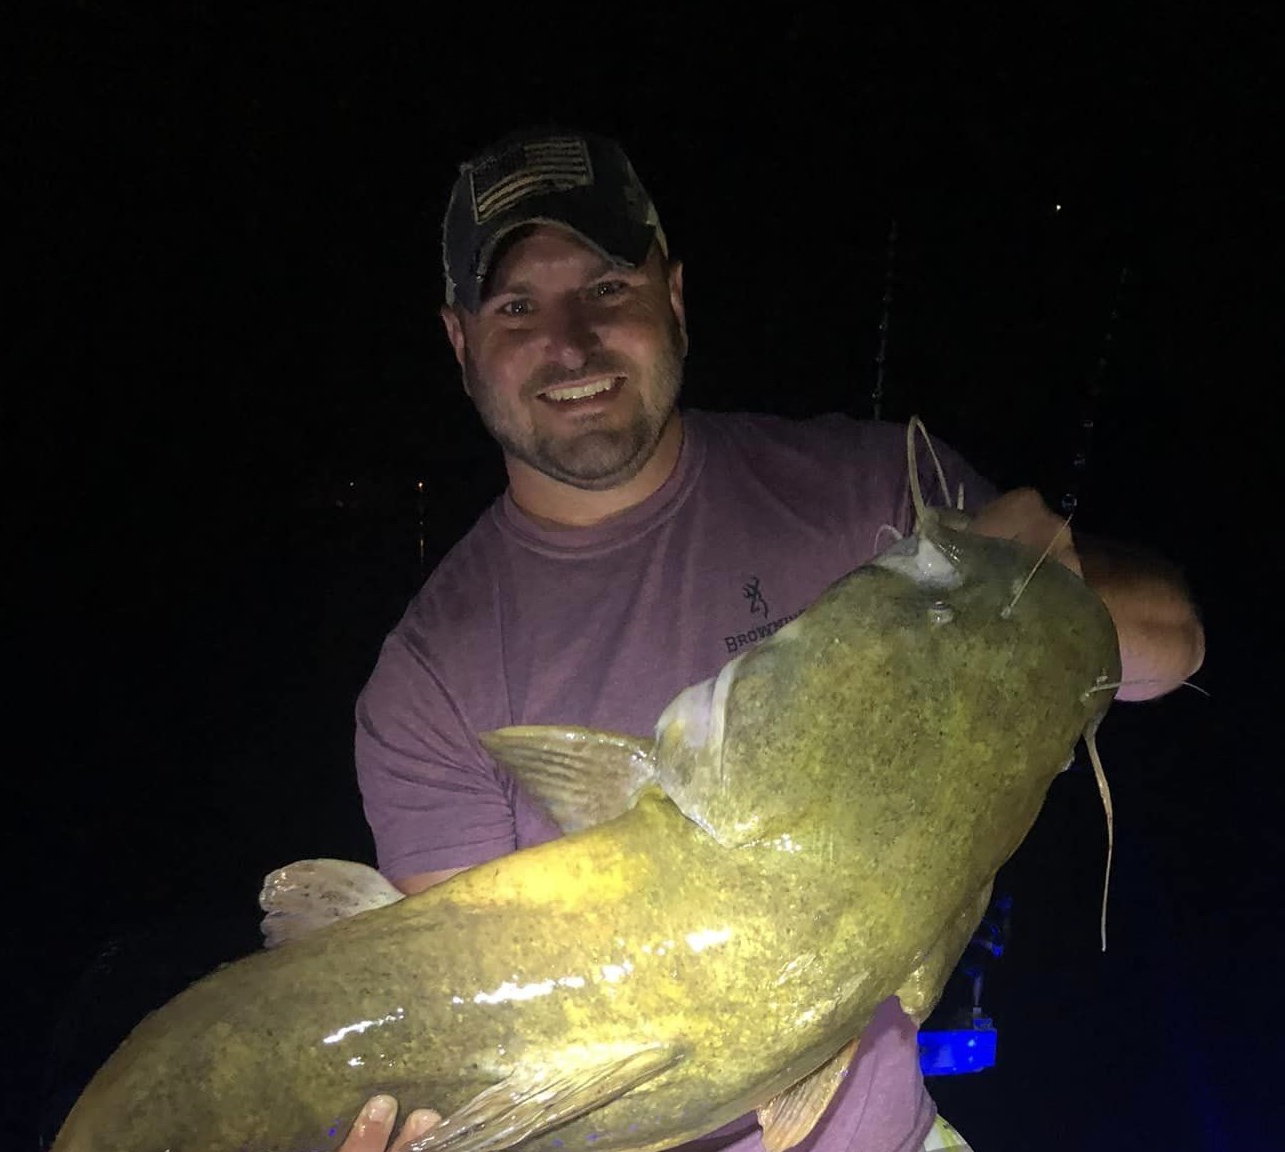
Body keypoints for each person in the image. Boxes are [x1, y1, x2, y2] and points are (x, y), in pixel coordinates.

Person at [335, 125, 1206, 1152]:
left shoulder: (869, 489)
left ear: (674, 296)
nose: (570, 343)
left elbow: (1171, 644)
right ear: (459, 341)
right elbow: (480, 1025)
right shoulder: (429, 680)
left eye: (608, 286)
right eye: (517, 307)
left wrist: (1045, 574)